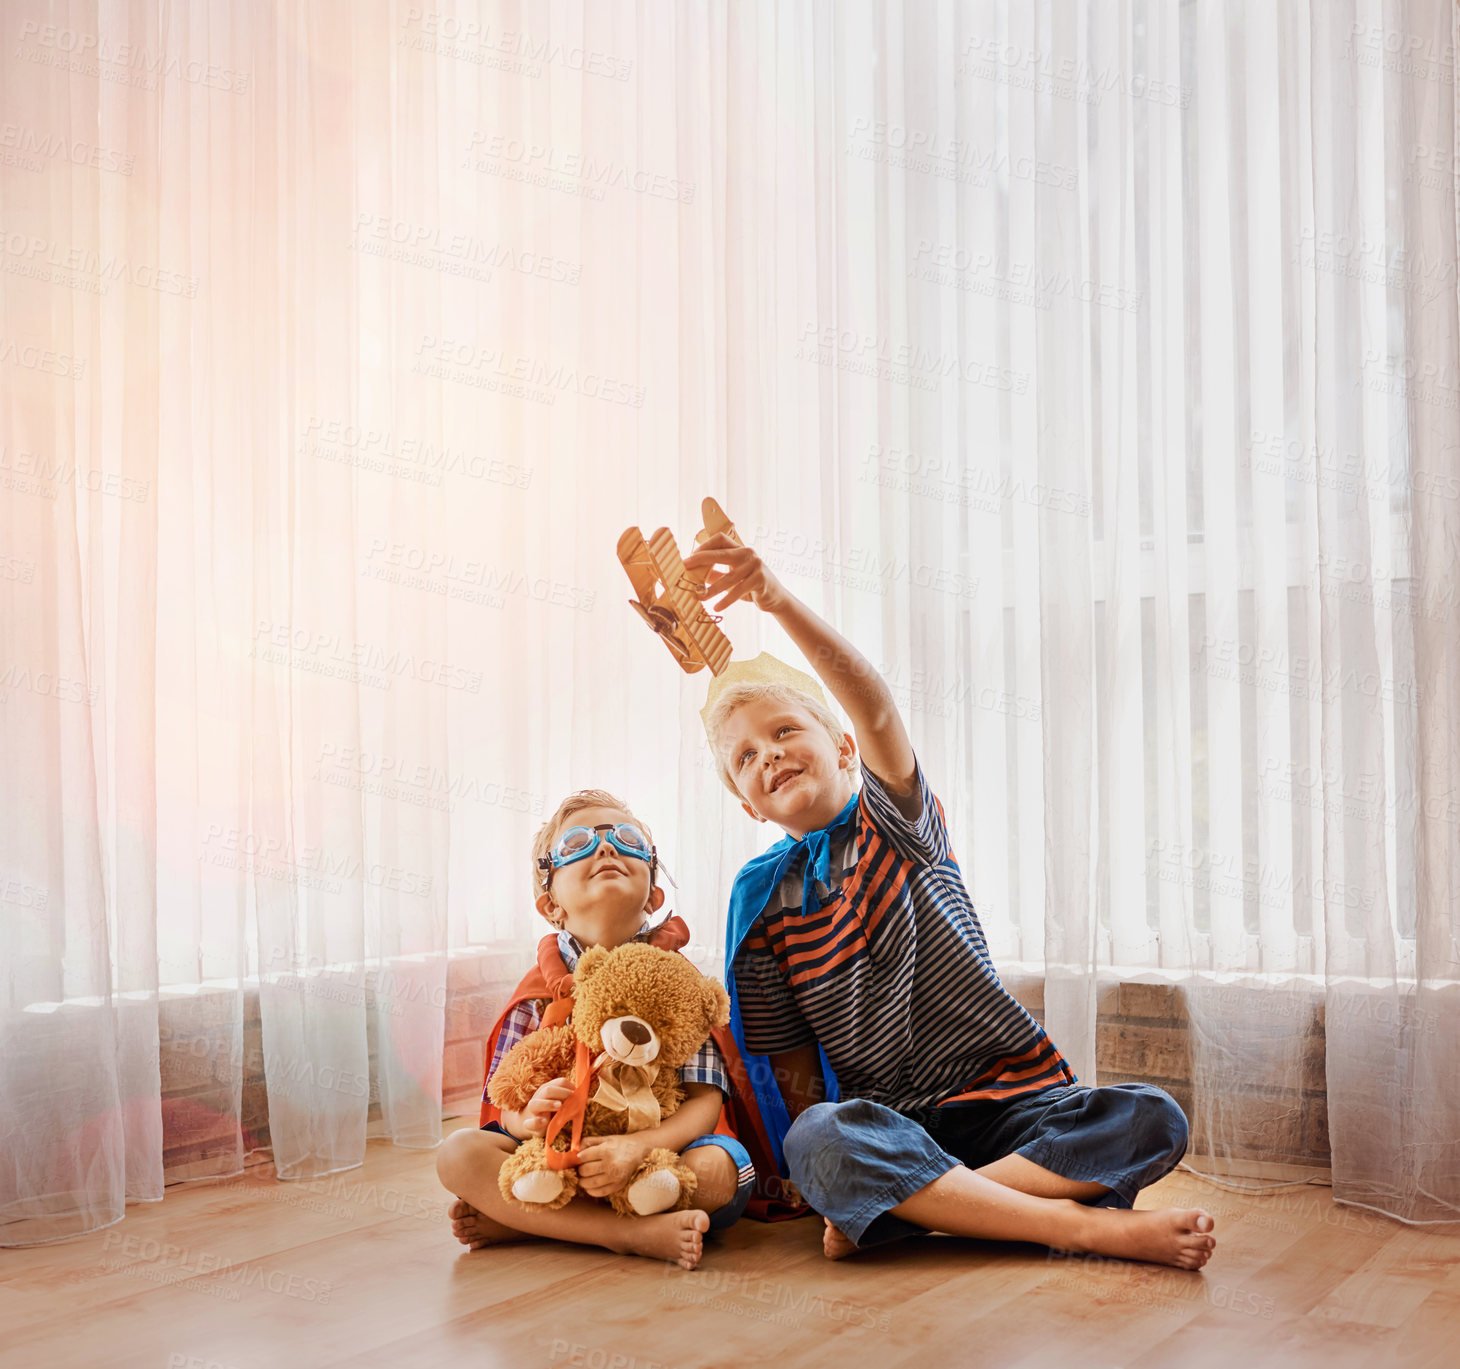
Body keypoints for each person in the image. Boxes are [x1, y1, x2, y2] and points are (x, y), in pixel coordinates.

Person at [681, 531, 1216, 1270]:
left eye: (784, 730)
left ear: (842, 750)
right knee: (818, 1138)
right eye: (745, 756)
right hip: (899, 1130)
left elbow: (873, 706)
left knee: (1153, 1116)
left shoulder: (895, 822)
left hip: (1016, 1106)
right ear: (745, 803)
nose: (767, 752)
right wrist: (830, 1174)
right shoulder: (763, 906)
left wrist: (774, 597)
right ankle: (1078, 1225)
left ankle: (923, 1216)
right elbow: (796, 1074)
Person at [435, 790, 755, 1271]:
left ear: (654, 895)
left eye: (626, 841)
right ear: (550, 905)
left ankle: (533, 1222)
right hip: (561, 1158)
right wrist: (531, 1119)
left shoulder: (675, 984)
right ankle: (626, 1234)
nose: (607, 849)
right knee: (458, 1154)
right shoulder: (539, 992)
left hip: (658, 1155)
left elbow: (706, 1102)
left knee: (717, 1170)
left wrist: (638, 1148)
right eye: (579, 842)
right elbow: (507, 1106)